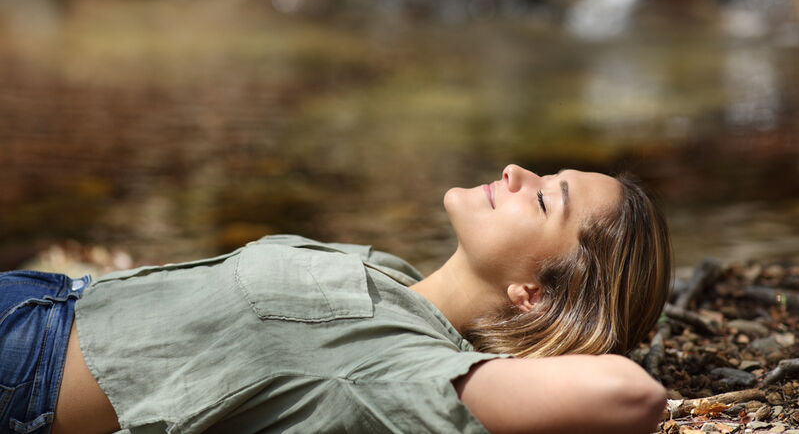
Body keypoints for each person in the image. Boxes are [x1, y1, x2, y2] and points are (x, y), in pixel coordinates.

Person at [1, 164, 672, 434]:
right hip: (42, 303)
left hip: (24, 365)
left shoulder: (398, 366)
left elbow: (630, 395)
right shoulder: (390, 275)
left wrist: (539, 353)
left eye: (546, 197)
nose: (515, 172)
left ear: (534, 295)